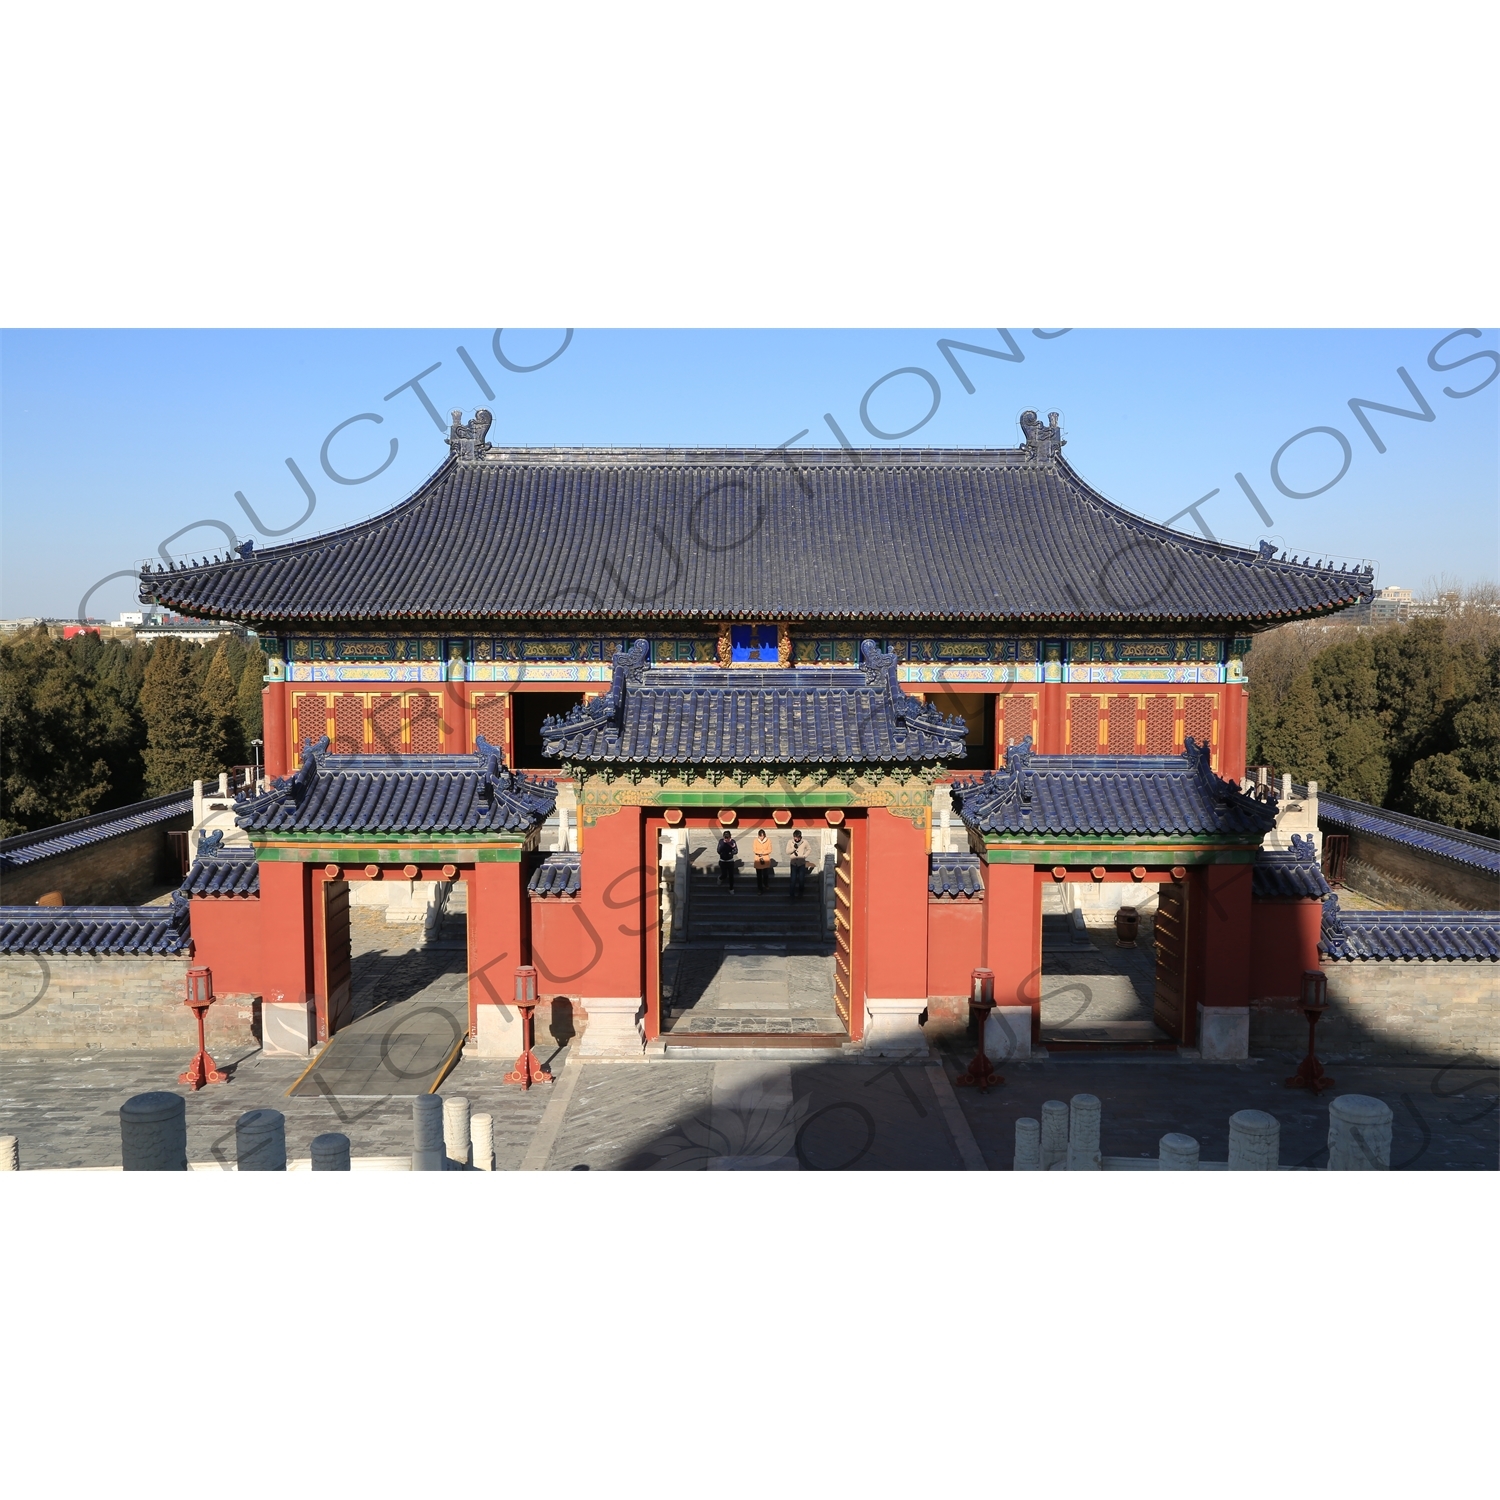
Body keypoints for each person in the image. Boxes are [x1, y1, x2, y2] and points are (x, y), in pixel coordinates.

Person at [787, 829, 809, 899]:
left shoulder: (804, 842)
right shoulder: (790, 842)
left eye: (797, 837)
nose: (796, 839)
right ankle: (791, 894)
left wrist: (804, 856)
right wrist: (793, 848)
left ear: (800, 837)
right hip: (793, 863)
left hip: (801, 863)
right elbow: (787, 851)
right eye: (794, 837)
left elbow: (809, 849)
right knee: (793, 879)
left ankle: (801, 893)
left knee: (801, 879)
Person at [753, 828, 773, 893]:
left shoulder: (768, 840)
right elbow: (754, 850)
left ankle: (766, 884)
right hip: (758, 860)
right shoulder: (755, 841)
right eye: (760, 836)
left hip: (765, 860)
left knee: (765, 874)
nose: (761, 838)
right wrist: (762, 852)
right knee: (759, 876)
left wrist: (762, 852)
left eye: (762, 836)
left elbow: (769, 850)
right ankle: (760, 889)